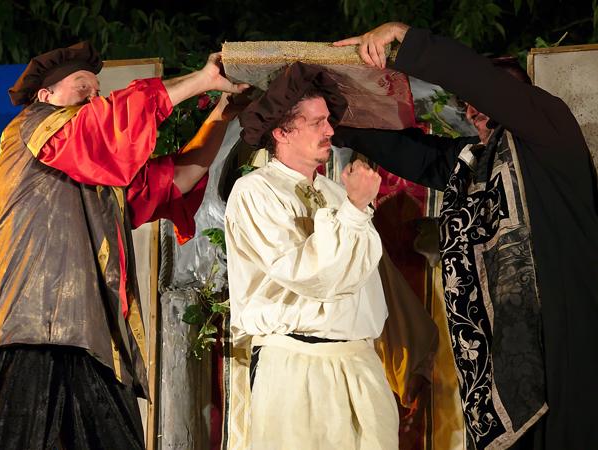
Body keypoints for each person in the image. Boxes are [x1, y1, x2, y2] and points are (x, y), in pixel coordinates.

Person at [333, 22, 598, 449]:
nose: (472, 112)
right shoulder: (473, 162)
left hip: (562, 345)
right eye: (467, 106)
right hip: (504, 363)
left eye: (481, 103)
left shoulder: (551, 136)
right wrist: (333, 120)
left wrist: (405, 36)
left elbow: (484, 83)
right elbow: (412, 155)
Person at [0, 41, 248, 449]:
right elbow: (105, 125)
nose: (93, 97)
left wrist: (223, 113)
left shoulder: (99, 177)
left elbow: (176, 180)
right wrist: (203, 79)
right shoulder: (32, 127)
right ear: (45, 95)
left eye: (97, 91)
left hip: (95, 342)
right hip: (32, 334)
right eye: (82, 87)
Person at [225, 62, 399, 449]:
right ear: (282, 131)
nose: (330, 131)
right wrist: (354, 210)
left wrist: (353, 207)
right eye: (317, 122)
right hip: (297, 366)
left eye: (328, 121)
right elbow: (312, 276)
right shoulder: (256, 192)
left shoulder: (337, 193)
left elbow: (362, 273)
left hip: (358, 362)